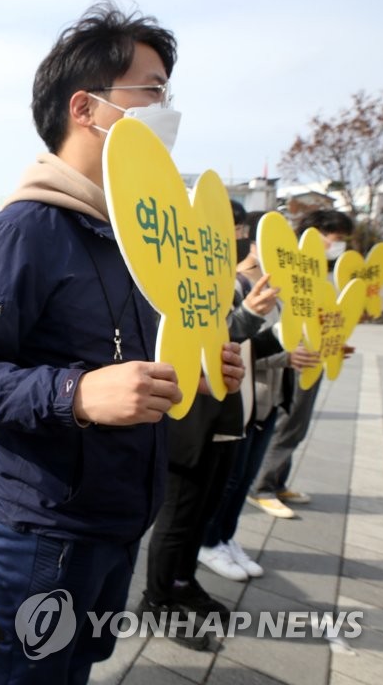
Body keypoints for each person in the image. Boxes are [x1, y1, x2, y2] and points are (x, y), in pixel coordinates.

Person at [0, 3, 242, 683]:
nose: (168, 109)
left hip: (123, 511)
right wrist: (78, 393)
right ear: (87, 107)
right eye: (152, 90)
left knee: (81, 664)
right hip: (49, 526)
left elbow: (141, 355)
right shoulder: (25, 230)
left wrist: (193, 367)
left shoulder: (140, 238)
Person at [139, 202, 278, 651]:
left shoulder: (220, 278)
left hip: (226, 413)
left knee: (202, 512)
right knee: (177, 517)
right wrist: (250, 316)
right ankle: (156, 600)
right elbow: (202, 335)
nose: (233, 235)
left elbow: (223, 334)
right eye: (227, 228)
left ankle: (182, 583)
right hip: (190, 418)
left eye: (234, 228)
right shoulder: (170, 275)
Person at [198, 211, 319, 579]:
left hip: (270, 397)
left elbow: (289, 333)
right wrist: (285, 352)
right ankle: (208, 542)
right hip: (244, 396)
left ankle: (226, 537)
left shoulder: (281, 289)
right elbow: (232, 342)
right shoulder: (233, 284)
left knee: (245, 477)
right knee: (228, 478)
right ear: (254, 242)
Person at [248, 209, 355, 518]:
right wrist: (287, 352)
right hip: (289, 358)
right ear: (317, 231)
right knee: (285, 423)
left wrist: (334, 341)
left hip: (312, 355)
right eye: (336, 239)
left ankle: (277, 481)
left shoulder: (317, 267)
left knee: (297, 425)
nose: (337, 245)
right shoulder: (286, 263)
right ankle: (262, 487)